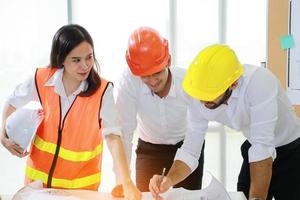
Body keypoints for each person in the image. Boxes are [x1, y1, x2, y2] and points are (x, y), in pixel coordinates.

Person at [0, 24, 141, 200]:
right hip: (38, 189)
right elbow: (12, 101)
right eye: (76, 60)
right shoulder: (41, 78)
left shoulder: (103, 91)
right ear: (61, 59)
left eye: (89, 57)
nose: (85, 66)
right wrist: (3, 135)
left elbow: (113, 137)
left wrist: (126, 181)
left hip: (80, 192)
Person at [149, 44, 300, 200]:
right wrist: (169, 179)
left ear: (233, 84)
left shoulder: (260, 83)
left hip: (291, 151)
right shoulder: (199, 93)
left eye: (209, 95)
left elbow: (262, 147)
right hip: (253, 144)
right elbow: (190, 150)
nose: (201, 101)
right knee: (242, 195)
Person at [111, 27, 204, 195]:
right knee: (146, 196)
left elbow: (194, 141)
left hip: (185, 146)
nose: (152, 81)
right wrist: (122, 180)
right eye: (145, 76)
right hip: (149, 149)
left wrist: (171, 177)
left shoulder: (188, 83)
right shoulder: (129, 81)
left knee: (187, 198)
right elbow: (124, 133)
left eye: (157, 72)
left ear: (168, 61)